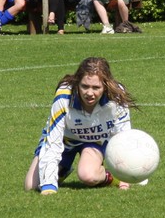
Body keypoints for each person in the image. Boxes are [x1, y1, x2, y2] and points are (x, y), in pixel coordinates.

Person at [24, 57, 140, 193]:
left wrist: (124, 176)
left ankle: (109, 177)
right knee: (31, 186)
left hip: (96, 141)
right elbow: (53, 142)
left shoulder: (116, 97)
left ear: (105, 86)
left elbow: (122, 137)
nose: (89, 93)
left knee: (88, 175)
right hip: (65, 141)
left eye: (96, 87)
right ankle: (62, 169)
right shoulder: (64, 96)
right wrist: (49, 186)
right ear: (77, 83)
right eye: (85, 86)